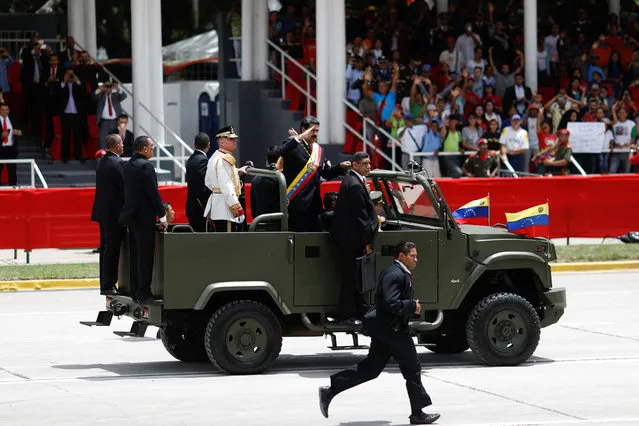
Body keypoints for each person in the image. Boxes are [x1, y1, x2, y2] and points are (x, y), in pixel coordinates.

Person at [319, 241, 440, 425]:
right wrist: (411, 306)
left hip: (386, 330)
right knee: (412, 368)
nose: (416, 259)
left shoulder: (398, 273)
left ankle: (331, 389)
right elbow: (390, 303)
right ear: (401, 256)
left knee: (371, 369)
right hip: (394, 331)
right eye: (413, 256)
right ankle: (418, 413)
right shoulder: (393, 274)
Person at [329, 152, 379, 323]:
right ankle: (344, 315)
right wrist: (368, 242)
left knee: (356, 278)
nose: (368, 166)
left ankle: (359, 311)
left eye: (369, 163)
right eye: (365, 163)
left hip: (349, 238)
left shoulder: (354, 180)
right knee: (351, 279)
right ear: (355, 165)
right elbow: (361, 217)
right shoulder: (355, 184)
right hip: (351, 240)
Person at [279, 116, 350, 232]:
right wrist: (299, 138)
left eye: (317, 131)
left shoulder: (318, 150)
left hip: (314, 204)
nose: (315, 134)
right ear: (303, 130)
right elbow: (281, 151)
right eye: (312, 130)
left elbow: (325, 173)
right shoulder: (293, 144)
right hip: (297, 204)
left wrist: (339, 167)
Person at [119, 136, 167, 304]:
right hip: (144, 217)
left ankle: (135, 290)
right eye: (152, 146)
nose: (153, 149)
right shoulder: (146, 166)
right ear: (145, 149)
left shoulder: (128, 164)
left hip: (131, 216)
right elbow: (153, 194)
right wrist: (163, 215)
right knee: (145, 256)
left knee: (135, 255)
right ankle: (144, 292)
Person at [91, 134, 125, 296]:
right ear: (117, 146)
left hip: (103, 212)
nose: (124, 146)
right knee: (112, 249)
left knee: (105, 249)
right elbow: (124, 189)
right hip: (114, 213)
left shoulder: (102, 161)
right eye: (122, 144)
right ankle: (109, 283)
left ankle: (105, 282)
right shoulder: (117, 163)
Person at [203, 126, 249, 232]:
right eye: (231, 139)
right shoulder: (225, 160)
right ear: (222, 142)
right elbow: (227, 188)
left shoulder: (214, 157)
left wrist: (237, 171)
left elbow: (208, 182)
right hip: (226, 210)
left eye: (234, 138)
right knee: (228, 245)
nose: (235, 141)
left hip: (216, 207)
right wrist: (238, 210)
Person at [185, 133, 212, 232]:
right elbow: (204, 186)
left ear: (194, 144)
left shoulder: (190, 159)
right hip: (200, 209)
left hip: (192, 207)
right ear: (209, 145)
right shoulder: (202, 160)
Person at [250, 145, 282, 219]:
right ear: (281, 159)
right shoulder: (282, 179)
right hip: (279, 224)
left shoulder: (255, 179)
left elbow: (253, 207)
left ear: (267, 160)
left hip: (259, 223)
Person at [93, 82, 127, 149]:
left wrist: (118, 89)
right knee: (103, 141)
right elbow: (93, 98)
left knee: (115, 140)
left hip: (115, 121)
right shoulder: (101, 96)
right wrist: (99, 89)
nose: (108, 88)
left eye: (110, 87)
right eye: (106, 86)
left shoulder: (115, 95)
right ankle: (102, 157)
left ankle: (115, 156)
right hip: (104, 122)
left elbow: (124, 96)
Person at [0, 102, 22, 186]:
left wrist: (19, 132)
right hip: (1, 150)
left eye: (7, 110)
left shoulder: (13, 118)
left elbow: (20, 132)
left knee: (12, 171)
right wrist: (1, 135)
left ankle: (13, 190)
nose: (5, 111)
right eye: (3, 110)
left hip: (11, 150)